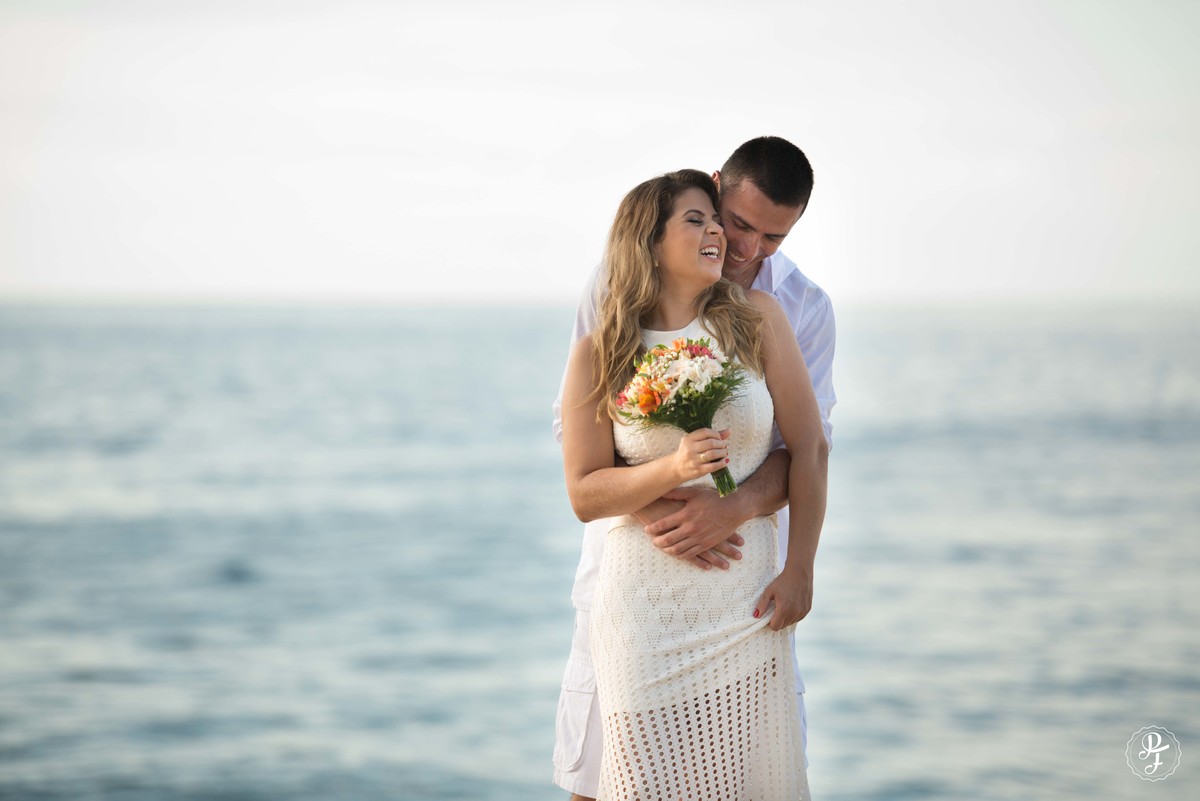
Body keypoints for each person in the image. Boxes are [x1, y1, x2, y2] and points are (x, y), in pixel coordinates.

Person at [552, 137, 836, 800]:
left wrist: (750, 525)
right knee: (605, 779)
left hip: (744, 588)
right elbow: (581, 456)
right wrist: (673, 506)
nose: (743, 247)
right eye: (730, 222)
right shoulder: (610, 316)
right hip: (637, 579)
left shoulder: (789, 311)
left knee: (748, 774)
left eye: (772, 237)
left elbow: (808, 447)